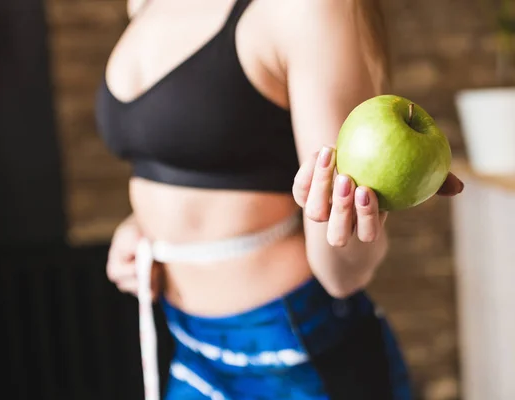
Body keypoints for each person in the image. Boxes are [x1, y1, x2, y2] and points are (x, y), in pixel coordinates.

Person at [95, 0, 464, 399]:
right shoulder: (145, 2)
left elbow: (344, 275)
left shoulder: (308, 8)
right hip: (187, 343)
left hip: (293, 351)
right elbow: (179, 156)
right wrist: (140, 225)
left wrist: (349, 226)